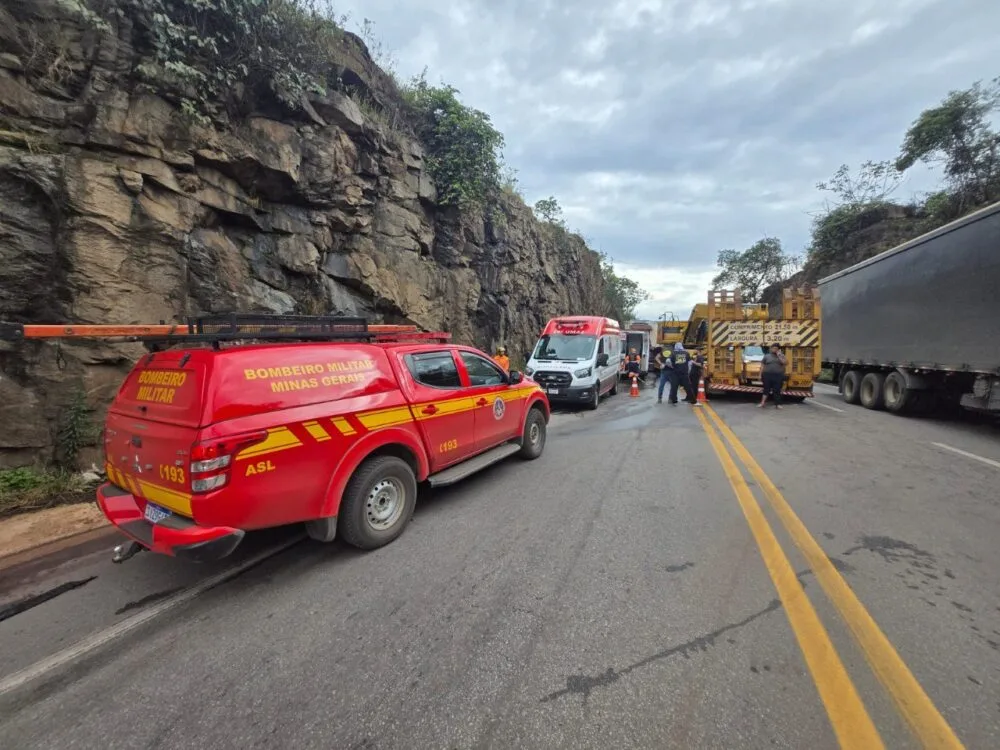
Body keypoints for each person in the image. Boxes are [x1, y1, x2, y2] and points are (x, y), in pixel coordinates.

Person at [759, 344, 787, 409]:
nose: (774, 350)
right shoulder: (766, 356)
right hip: (767, 375)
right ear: (771, 349)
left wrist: (779, 356)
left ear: (779, 349)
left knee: (777, 390)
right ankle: (762, 403)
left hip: (778, 376)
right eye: (773, 348)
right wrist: (760, 375)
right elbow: (762, 366)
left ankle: (778, 404)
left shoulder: (782, 356)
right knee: (766, 389)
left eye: (776, 349)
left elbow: (785, 363)